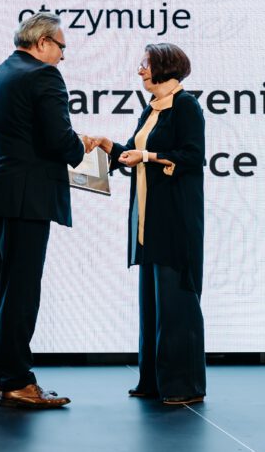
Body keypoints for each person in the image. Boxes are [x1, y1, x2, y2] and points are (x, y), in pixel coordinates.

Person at [0, 12, 93, 409]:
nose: (62, 56)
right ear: (42, 43)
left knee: (3, 289)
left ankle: (3, 379)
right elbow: (60, 141)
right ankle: (18, 381)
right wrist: (80, 145)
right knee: (21, 292)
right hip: (27, 198)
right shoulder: (44, 76)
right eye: (61, 47)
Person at [89, 43, 207, 405]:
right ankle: (154, 381)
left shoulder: (186, 106)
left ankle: (183, 385)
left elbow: (192, 156)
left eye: (145, 64)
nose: (140, 70)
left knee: (176, 303)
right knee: (153, 304)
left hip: (175, 219)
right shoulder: (151, 108)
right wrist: (108, 146)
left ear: (165, 67)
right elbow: (133, 152)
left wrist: (149, 156)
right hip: (149, 219)